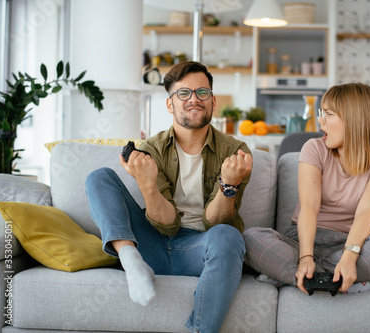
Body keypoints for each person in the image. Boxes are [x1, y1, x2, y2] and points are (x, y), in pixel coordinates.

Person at [85, 61, 253, 333]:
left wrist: (228, 185)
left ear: (212, 101)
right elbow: (168, 224)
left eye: (202, 93)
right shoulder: (152, 149)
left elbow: (215, 221)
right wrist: (148, 186)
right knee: (99, 177)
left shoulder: (235, 151)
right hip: (152, 243)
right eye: (183, 93)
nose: (194, 100)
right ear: (170, 104)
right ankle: (130, 261)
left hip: (201, 249)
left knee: (229, 236)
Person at [243, 82, 370, 294]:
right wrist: (305, 257)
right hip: (300, 241)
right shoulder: (314, 148)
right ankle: (333, 279)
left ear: (353, 120)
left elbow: (366, 213)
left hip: (347, 243)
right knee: (251, 238)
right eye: (321, 113)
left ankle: (296, 277)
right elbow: (309, 207)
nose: (320, 121)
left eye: (328, 114)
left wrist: (349, 257)